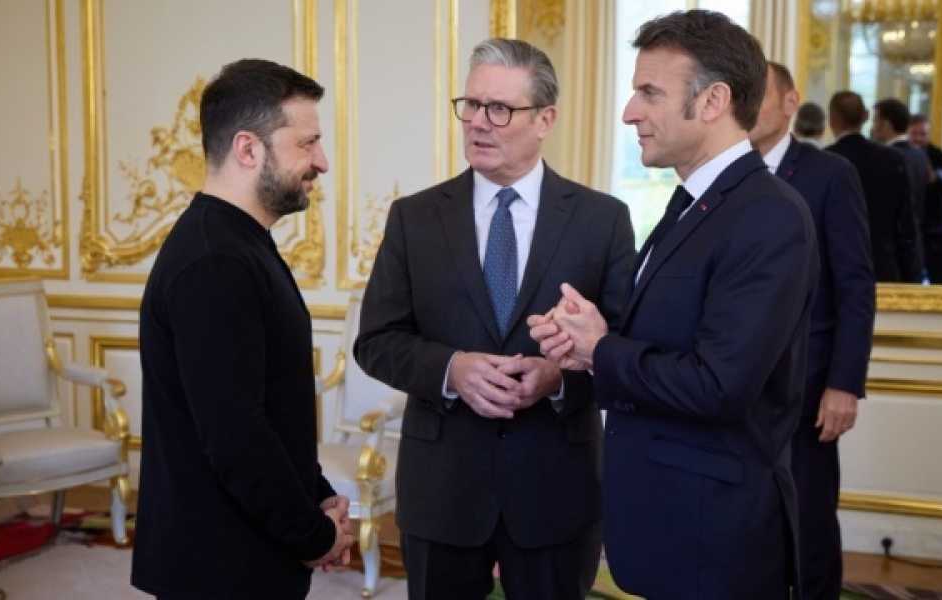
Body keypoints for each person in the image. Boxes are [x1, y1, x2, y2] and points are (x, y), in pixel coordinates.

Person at [529, 10, 818, 599]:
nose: (629, 112)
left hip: (715, 538)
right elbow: (673, 340)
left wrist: (601, 350)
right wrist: (591, 340)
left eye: (649, 93)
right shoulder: (696, 203)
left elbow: (720, 385)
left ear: (713, 101)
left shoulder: (768, 215)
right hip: (677, 526)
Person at [353, 38, 635, 600]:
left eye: (500, 109)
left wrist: (558, 378)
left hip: (556, 487)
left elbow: (625, 345)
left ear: (545, 119)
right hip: (442, 489)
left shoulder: (602, 220)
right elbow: (376, 341)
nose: (479, 122)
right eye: (472, 105)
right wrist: (451, 369)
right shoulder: (414, 218)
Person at [132, 59, 354, 599]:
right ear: (248, 149)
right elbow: (236, 437)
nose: (322, 162)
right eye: (308, 143)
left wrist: (316, 496)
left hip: (239, 554)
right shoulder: (215, 261)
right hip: (219, 565)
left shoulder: (237, 244)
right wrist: (312, 534)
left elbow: (268, 405)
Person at [749, 61, 876, 600]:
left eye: (759, 94)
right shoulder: (723, 175)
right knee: (749, 529)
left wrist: (844, 384)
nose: (747, 105)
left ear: (789, 102)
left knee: (810, 526)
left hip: (809, 389)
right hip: (737, 388)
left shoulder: (829, 174)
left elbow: (855, 285)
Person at [826, 91, 922, 282]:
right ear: (865, 117)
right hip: (884, 266)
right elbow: (906, 224)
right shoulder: (892, 159)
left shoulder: (825, 160)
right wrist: (912, 276)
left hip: (837, 270)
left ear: (832, 120)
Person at [872, 98, 932, 281]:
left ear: (886, 124)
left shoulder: (886, 157)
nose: (873, 127)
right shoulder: (920, 155)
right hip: (916, 244)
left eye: (875, 120)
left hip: (891, 250)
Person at [908, 114, 942, 283]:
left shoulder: (939, 156)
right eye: (914, 134)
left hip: (935, 227)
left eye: (923, 134)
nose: (918, 139)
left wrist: (933, 178)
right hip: (911, 224)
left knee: (937, 274)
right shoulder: (899, 155)